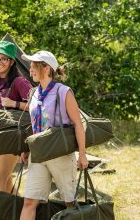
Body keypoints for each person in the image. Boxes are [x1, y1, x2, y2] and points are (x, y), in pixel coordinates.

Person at [19, 51, 88, 219]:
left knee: (69, 202)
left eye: (34, 66)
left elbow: (78, 124)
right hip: (38, 154)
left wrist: (82, 154)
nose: (30, 70)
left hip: (60, 153)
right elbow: (33, 124)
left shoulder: (63, 92)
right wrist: (27, 148)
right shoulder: (33, 93)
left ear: (47, 68)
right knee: (29, 202)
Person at [0, 40, 32, 193]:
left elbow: (38, 107)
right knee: (6, 181)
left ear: (11, 62)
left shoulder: (19, 82)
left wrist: (14, 103)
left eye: (4, 58)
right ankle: (19, 213)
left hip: (10, 137)